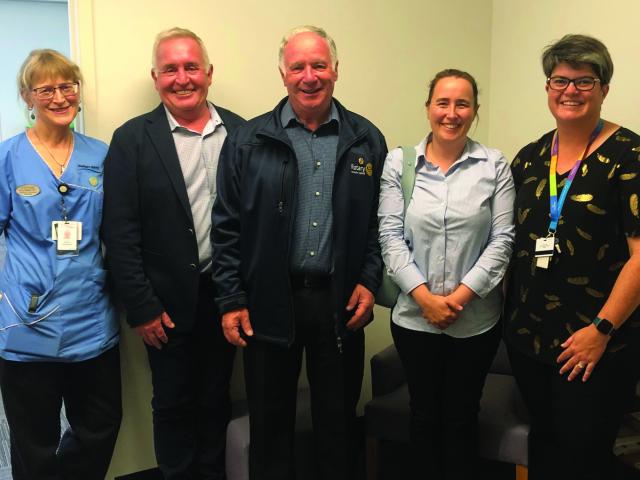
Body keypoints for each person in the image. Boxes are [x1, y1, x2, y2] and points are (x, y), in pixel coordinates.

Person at [212, 25, 386, 480]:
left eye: (319, 65)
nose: (310, 76)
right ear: (283, 74)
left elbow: (377, 224)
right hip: (268, 302)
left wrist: (369, 280)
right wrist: (231, 300)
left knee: (337, 423)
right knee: (270, 425)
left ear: (336, 70)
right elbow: (226, 227)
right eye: (298, 67)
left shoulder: (366, 139)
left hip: (339, 302)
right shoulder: (248, 141)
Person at [102, 28, 244, 479]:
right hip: (163, 304)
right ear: (155, 76)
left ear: (208, 73)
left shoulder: (242, 132)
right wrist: (141, 307)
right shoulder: (131, 140)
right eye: (170, 69)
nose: (182, 78)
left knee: (216, 396)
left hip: (227, 299)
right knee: (174, 402)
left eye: (191, 67)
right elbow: (119, 232)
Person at [504, 34, 640, 480]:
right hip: (530, 341)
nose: (570, 91)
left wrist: (601, 330)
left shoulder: (630, 155)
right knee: (543, 447)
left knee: (584, 457)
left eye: (585, 80)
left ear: (604, 88)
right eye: (560, 80)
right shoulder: (529, 157)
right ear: (548, 88)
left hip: (596, 345)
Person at [377, 69, 515, 479]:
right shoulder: (400, 163)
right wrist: (425, 299)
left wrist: (458, 298)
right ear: (428, 108)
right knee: (422, 415)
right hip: (414, 320)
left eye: (462, 104)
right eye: (443, 102)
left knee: (460, 418)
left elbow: (503, 240)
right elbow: (389, 236)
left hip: (475, 322)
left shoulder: (494, 165)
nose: (451, 113)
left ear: (474, 111)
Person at [0, 49, 121, 480]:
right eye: (45, 88)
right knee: (33, 439)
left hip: (91, 319)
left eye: (67, 86)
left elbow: (120, 230)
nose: (58, 96)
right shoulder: (8, 157)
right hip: (27, 325)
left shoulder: (101, 154)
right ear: (27, 97)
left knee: (100, 427)